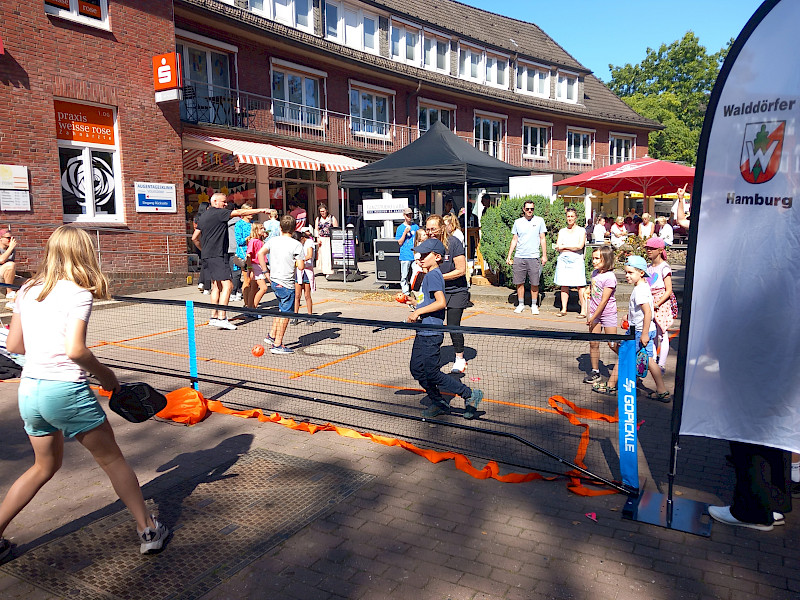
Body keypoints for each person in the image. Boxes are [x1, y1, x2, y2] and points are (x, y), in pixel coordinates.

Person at [0, 226, 168, 561]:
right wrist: (107, 377)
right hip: (64, 391)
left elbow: (14, 345)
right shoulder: (78, 292)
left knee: (43, 466)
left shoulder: (27, 289)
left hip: (30, 391)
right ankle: (148, 529)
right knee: (112, 459)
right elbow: (75, 350)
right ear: (85, 253)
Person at [406, 237, 483, 420]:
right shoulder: (429, 275)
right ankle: (439, 402)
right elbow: (429, 300)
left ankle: (469, 393)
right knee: (417, 368)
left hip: (431, 332)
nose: (421, 258)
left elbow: (441, 303)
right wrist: (414, 303)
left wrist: (418, 313)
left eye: (425, 254)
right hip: (423, 330)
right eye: (419, 254)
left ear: (438, 257)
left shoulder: (433, 275)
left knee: (431, 371)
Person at [593, 255, 669, 401]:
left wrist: (644, 334)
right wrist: (629, 317)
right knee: (650, 360)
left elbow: (647, 312)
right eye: (626, 272)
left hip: (639, 331)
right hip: (640, 329)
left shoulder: (640, 290)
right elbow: (644, 311)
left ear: (641, 273)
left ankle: (610, 385)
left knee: (623, 355)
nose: (627, 275)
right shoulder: (643, 286)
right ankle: (662, 391)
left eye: (630, 272)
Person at [192, 193, 267, 330]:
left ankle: (214, 317)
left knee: (216, 286)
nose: (226, 204)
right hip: (218, 255)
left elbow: (195, 238)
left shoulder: (203, 216)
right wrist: (261, 210)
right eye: (223, 202)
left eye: (226, 202)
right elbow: (240, 212)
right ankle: (222, 317)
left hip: (208, 256)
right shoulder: (219, 213)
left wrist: (203, 250)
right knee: (228, 286)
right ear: (214, 201)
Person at [426, 215, 469, 373]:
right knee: (433, 325)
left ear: (442, 228)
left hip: (456, 291)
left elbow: (461, 270)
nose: (430, 232)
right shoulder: (428, 244)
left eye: (433, 229)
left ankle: (460, 358)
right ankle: (433, 357)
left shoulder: (454, 243)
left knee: (452, 325)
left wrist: (439, 277)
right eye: (428, 229)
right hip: (438, 290)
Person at [257, 214, 304, 354]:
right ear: (294, 228)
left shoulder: (273, 241)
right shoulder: (296, 244)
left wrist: (266, 271)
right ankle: (277, 344)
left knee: (281, 309)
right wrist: (296, 260)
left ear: (280, 227)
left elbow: (260, 253)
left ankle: (272, 336)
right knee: (286, 313)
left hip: (275, 280)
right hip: (287, 283)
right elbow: (301, 266)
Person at [505, 200, 548, 315]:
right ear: (523, 209)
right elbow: (514, 239)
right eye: (527, 209)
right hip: (519, 256)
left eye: (532, 209)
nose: (530, 211)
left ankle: (534, 305)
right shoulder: (518, 222)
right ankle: (521, 304)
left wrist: (544, 255)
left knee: (535, 283)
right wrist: (509, 255)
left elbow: (542, 238)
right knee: (519, 282)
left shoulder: (539, 221)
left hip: (534, 257)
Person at [584, 245, 618, 384]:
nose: (594, 261)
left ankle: (628, 362)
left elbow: (604, 301)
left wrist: (592, 316)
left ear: (606, 259)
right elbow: (593, 292)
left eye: (597, 258)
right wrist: (588, 291)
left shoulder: (610, 277)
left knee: (612, 343)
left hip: (607, 314)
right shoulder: (594, 274)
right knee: (593, 343)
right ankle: (595, 372)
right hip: (594, 313)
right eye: (593, 258)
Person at [645, 237, 676, 374]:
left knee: (662, 333)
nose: (648, 250)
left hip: (661, 301)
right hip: (650, 300)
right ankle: (652, 360)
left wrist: (658, 303)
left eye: (651, 248)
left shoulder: (664, 267)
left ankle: (661, 364)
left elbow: (668, 289)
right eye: (647, 248)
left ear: (660, 250)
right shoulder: (648, 267)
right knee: (652, 333)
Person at [554, 207, 587, 318]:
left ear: (576, 217)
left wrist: (565, 247)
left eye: (572, 216)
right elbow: (558, 246)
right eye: (568, 216)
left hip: (577, 259)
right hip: (563, 260)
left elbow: (579, 246)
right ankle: (563, 309)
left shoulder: (581, 230)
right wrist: (566, 248)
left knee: (580, 285)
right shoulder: (562, 231)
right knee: (564, 284)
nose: (570, 218)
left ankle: (583, 310)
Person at [232, 203, 255, 303]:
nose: (251, 213)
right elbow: (239, 241)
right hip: (244, 253)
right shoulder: (239, 224)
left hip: (254, 252)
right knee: (247, 278)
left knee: (253, 280)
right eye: (249, 211)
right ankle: (247, 302)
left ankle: (250, 301)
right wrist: (247, 238)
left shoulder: (253, 223)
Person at [293, 227, 315, 324]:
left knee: (307, 295)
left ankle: (310, 316)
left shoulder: (309, 242)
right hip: (299, 271)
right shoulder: (297, 245)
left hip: (307, 270)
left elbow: (309, 255)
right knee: (297, 295)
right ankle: (295, 316)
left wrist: (301, 260)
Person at [395, 208, 419, 297]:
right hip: (405, 255)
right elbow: (399, 242)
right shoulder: (400, 228)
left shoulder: (415, 226)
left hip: (415, 254)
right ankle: (405, 292)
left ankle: (415, 289)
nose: (409, 217)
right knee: (404, 275)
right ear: (404, 216)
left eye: (410, 215)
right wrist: (405, 232)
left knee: (416, 273)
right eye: (407, 215)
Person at [244, 223, 268, 310]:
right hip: (256, 266)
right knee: (263, 288)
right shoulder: (253, 241)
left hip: (258, 265)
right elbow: (249, 255)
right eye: (261, 229)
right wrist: (250, 268)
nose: (263, 230)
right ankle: (253, 307)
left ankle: (250, 307)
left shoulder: (259, 241)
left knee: (253, 288)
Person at [314, 203, 337, 276]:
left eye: (323, 211)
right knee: (322, 255)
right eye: (321, 211)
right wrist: (317, 238)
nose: (322, 213)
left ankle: (329, 270)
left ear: (326, 210)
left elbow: (335, 228)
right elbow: (316, 229)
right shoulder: (318, 219)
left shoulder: (332, 218)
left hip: (329, 238)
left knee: (328, 254)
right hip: (321, 238)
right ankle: (324, 270)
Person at [193, 202, 211, 295]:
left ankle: (201, 282)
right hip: (205, 242)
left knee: (204, 263)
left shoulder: (196, 218)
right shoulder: (206, 218)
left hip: (198, 243)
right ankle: (206, 285)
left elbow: (195, 229)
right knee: (206, 265)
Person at [0, 229, 18, 308]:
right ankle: (9, 292)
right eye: (8, 238)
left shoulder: (11, 249)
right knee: (10, 265)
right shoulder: (10, 248)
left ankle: (12, 302)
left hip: (8, 276)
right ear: (1, 238)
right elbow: (1, 260)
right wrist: (10, 248)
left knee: (31, 282)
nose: (11, 240)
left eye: (12, 238)